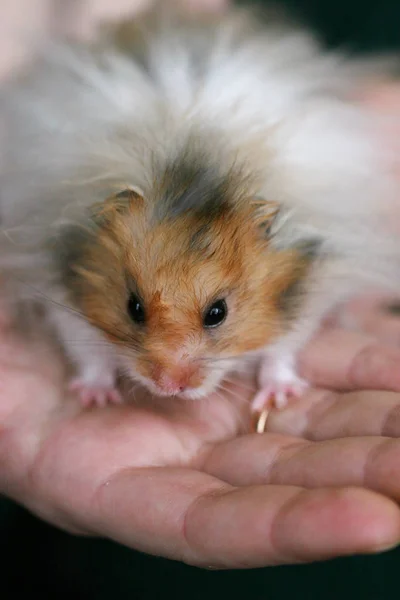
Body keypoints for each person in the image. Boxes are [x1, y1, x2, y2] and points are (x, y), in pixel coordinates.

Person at [1, 0, 400, 569]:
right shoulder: (91, 255)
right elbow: (75, 299)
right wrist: (94, 367)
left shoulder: (286, 263)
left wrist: (278, 365)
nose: (170, 375)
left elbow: (298, 306)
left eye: (214, 316)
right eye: (138, 310)